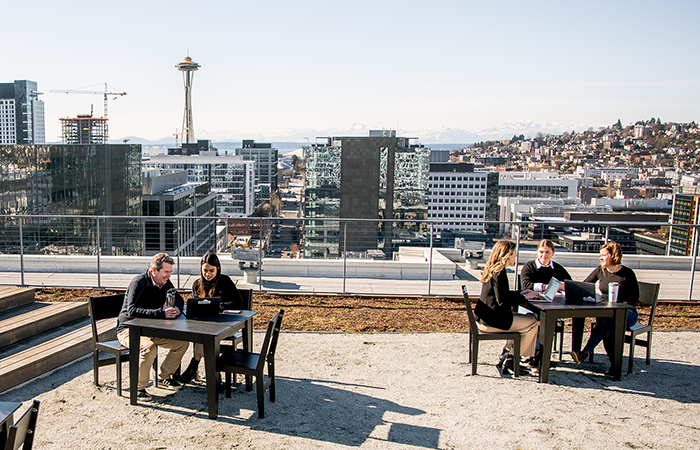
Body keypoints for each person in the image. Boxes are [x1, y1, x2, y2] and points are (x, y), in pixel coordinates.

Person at [116, 252, 189, 401]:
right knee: (149, 348)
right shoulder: (139, 282)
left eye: (170, 272)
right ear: (154, 270)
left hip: (151, 328)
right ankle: (138, 388)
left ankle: (164, 376)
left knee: (182, 343)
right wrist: (161, 313)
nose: (169, 276)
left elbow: (179, 299)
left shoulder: (164, 283)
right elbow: (132, 310)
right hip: (129, 328)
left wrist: (177, 309)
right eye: (166, 272)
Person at [570, 241, 639, 376]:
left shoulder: (627, 273)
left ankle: (586, 351)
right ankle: (614, 367)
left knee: (607, 323)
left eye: (603, 255)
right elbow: (584, 285)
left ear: (613, 255)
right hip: (607, 312)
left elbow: (634, 299)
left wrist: (618, 305)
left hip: (627, 312)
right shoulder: (600, 270)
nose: (600, 258)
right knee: (608, 330)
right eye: (600, 255)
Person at [474, 240, 540, 375]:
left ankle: (508, 356)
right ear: (507, 254)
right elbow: (503, 301)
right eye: (514, 253)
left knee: (526, 321)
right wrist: (525, 298)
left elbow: (501, 295)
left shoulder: (493, 270)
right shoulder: (500, 273)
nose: (516, 256)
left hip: (487, 318)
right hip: (493, 321)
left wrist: (521, 293)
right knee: (533, 322)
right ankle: (512, 359)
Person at [178, 253, 245, 384]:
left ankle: (195, 365)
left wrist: (220, 306)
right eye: (205, 271)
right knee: (203, 333)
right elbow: (195, 303)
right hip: (206, 324)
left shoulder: (225, 281)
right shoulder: (197, 284)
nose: (208, 274)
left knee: (205, 336)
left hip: (226, 324)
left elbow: (238, 303)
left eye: (211, 271)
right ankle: (213, 371)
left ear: (218, 269)